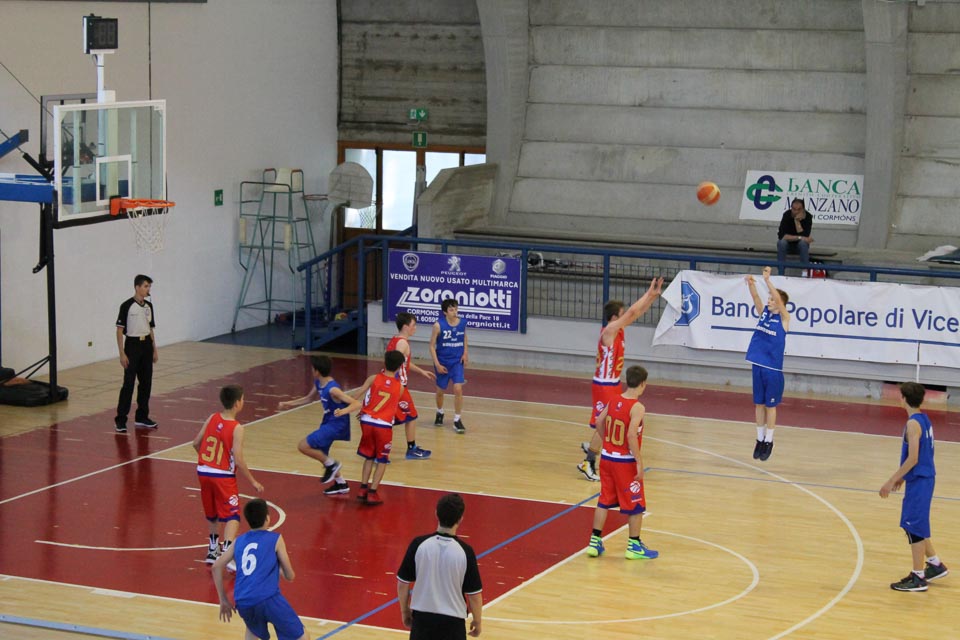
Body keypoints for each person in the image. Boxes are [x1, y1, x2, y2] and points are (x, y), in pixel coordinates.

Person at [578, 277, 664, 481]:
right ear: (615, 317)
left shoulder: (619, 330)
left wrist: (651, 298)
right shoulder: (609, 331)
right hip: (604, 385)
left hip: (613, 383)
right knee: (605, 422)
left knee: (609, 421)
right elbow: (633, 312)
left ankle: (592, 447)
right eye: (622, 314)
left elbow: (637, 312)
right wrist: (648, 294)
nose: (626, 316)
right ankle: (588, 461)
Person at [880, 382, 949, 592]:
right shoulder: (924, 418)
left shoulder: (912, 424)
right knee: (914, 524)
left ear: (903, 398)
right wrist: (903, 478)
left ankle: (918, 577)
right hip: (922, 478)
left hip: (921, 480)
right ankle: (935, 564)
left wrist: (892, 479)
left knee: (913, 527)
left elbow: (913, 458)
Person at [585, 365, 658, 560]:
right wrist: (639, 462)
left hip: (607, 458)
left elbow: (599, 422)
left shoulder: (614, 400)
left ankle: (594, 542)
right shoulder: (637, 407)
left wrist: (607, 441)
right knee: (636, 503)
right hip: (624, 462)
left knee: (604, 500)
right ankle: (634, 545)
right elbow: (631, 435)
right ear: (643, 384)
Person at [212, 498, 309, 640]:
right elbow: (290, 576)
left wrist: (223, 600)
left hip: (243, 601)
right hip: (268, 599)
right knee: (303, 637)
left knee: (252, 632)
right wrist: (279, 568)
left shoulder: (238, 541)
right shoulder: (275, 539)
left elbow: (216, 567)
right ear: (267, 518)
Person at [193, 384, 264, 565]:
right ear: (237, 403)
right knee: (233, 515)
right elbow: (238, 460)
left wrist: (209, 462)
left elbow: (196, 443)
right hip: (223, 476)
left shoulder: (212, 417)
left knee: (212, 512)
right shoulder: (237, 428)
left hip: (203, 471)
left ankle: (212, 550)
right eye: (243, 399)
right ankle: (228, 554)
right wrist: (253, 481)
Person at [397, 493, 483, 639]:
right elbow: (474, 594)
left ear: (436, 514)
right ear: (460, 519)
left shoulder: (418, 544)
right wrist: (477, 621)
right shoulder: (465, 552)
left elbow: (403, 583)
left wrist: (405, 611)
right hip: (452, 624)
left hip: (422, 621)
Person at [336, 350, 406, 506]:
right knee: (382, 460)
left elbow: (360, 394)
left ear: (384, 362)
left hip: (366, 421)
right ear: (400, 367)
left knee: (369, 456)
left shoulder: (373, 378)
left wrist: (346, 406)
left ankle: (362, 489)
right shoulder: (400, 387)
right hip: (383, 425)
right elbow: (392, 406)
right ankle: (372, 493)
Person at [278, 355, 352, 496]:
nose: (311, 370)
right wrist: (288, 404)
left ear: (317, 371)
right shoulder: (319, 382)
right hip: (328, 421)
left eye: (312, 368)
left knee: (303, 446)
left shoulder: (333, 389)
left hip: (337, 424)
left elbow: (355, 403)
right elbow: (308, 398)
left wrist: (343, 411)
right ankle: (341, 483)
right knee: (321, 454)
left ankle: (333, 465)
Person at [745, 266, 790, 461]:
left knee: (770, 406)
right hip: (758, 364)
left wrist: (767, 281)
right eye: (769, 298)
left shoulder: (785, 319)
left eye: (772, 299)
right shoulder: (764, 314)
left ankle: (769, 440)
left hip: (773, 369)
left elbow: (778, 299)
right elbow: (756, 298)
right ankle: (759, 439)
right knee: (758, 404)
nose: (769, 301)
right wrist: (751, 285)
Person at [387, 312, 437, 459]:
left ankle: (381, 448)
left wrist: (421, 371)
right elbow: (394, 365)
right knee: (410, 416)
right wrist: (396, 386)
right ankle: (410, 449)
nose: (415, 328)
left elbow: (403, 362)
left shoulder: (396, 339)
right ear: (405, 327)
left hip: (394, 384)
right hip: (398, 385)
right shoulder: (402, 344)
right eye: (413, 325)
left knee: (398, 417)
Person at [115, 274, 159, 433]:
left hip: (146, 345)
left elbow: (150, 328)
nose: (148, 289)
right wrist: (122, 353)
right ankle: (121, 420)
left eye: (149, 286)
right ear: (137, 287)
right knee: (128, 383)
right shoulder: (126, 306)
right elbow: (119, 331)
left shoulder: (149, 306)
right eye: (146, 286)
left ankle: (142, 416)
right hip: (132, 346)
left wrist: (154, 349)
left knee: (146, 382)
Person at [429, 299, 469, 434]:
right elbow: (431, 346)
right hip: (442, 362)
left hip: (457, 362)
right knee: (440, 391)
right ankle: (440, 412)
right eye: (451, 310)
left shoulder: (462, 323)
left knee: (458, 388)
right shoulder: (438, 325)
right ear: (445, 312)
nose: (455, 312)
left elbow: (464, 337)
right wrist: (437, 364)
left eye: (456, 309)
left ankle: (457, 419)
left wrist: (465, 353)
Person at [776, 198, 814, 273]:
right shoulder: (787, 215)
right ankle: (781, 272)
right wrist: (800, 237)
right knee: (781, 243)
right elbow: (782, 236)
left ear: (803, 209)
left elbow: (805, 235)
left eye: (799, 209)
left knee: (803, 244)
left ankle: (805, 272)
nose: (796, 212)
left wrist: (797, 222)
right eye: (794, 209)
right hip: (787, 245)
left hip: (800, 246)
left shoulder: (808, 217)